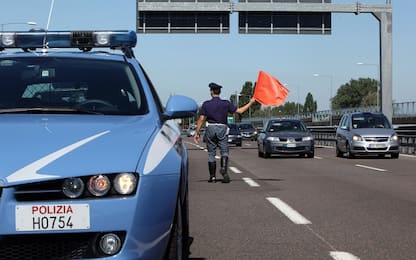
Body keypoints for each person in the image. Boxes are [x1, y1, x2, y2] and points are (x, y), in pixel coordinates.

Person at [194, 82, 257, 183]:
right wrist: (251, 103)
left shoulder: (206, 104)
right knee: (224, 151)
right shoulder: (226, 103)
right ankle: (223, 168)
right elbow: (240, 111)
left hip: (210, 128)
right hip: (222, 128)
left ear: (211, 92)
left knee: (211, 153)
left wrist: (197, 133)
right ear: (219, 92)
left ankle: (212, 177)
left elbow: (201, 119)